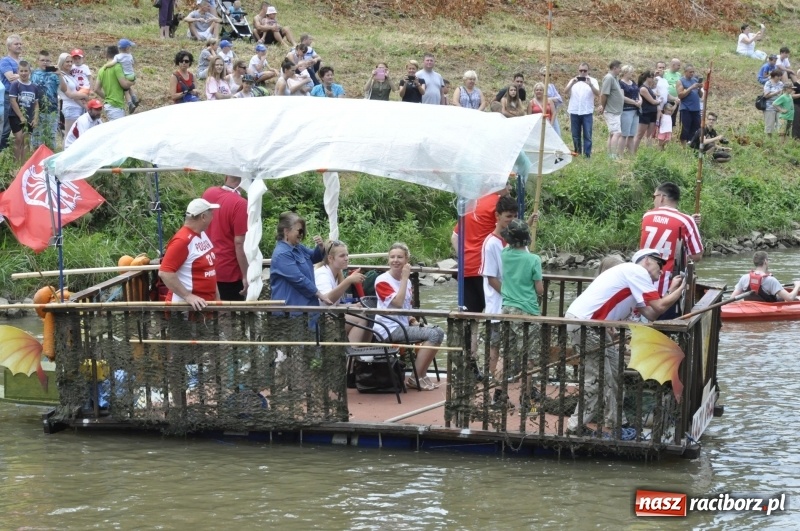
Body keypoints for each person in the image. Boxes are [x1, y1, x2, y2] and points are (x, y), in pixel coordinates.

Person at [565, 249, 685, 435]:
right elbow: (660, 305)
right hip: (584, 324)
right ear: (645, 261)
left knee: (614, 374)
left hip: (598, 328)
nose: (662, 271)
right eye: (659, 264)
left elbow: (653, 314)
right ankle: (575, 426)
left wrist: (672, 291)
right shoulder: (636, 271)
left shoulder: (635, 283)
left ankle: (616, 421)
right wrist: (681, 290)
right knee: (597, 378)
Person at [373, 242, 444, 391]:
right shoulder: (382, 280)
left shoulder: (408, 282)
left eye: (399, 257)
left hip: (403, 325)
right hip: (388, 328)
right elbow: (398, 303)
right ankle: (415, 377)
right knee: (432, 334)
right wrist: (404, 278)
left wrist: (413, 320)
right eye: (392, 257)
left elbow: (407, 307)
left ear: (406, 260)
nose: (395, 260)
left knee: (438, 332)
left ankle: (422, 374)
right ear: (388, 259)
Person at [639, 182, 703, 319]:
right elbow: (696, 255)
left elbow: (664, 226)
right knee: (665, 326)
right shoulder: (685, 221)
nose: (654, 200)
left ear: (661, 197)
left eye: (654, 196)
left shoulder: (647, 216)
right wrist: (693, 225)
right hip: (668, 285)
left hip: (642, 282)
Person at [499, 219, 544, 398]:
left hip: (507, 309)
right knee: (529, 357)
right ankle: (526, 394)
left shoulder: (504, 254)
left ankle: (499, 393)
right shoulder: (533, 259)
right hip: (527, 311)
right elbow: (539, 289)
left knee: (505, 353)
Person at [479, 195, 519, 379]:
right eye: (508, 216)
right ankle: (490, 376)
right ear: (498, 216)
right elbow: (491, 278)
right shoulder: (490, 243)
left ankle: (507, 377)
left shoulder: (514, 240)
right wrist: (510, 294)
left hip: (514, 303)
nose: (512, 220)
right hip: (498, 303)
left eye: (514, 216)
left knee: (513, 343)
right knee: (494, 344)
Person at [158, 198, 221, 312]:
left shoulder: (202, 235)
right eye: (211, 213)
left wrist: (217, 299)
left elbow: (209, 269)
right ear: (203, 217)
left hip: (205, 306)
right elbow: (165, 272)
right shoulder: (182, 241)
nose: (213, 217)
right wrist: (187, 296)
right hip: (186, 311)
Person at [270, 211, 332, 307]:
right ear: (286, 231)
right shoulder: (281, 254)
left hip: (305, 307)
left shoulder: (298, 247)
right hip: (291, 311)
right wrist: (320, 295)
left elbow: (314, 257)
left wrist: (320, 247)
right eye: (299, 231)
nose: (301, 234)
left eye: (302, 231)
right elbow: (298, 279)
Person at [201, 175, 248, 301]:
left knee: (212, 312)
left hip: (207, 265)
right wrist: (246, 274)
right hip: (229, 270)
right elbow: (239, 243)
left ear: (226, 175)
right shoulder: (240, 204)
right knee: (228, 314)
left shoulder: (208, 193)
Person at [314, 240, 371, 342]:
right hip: (320, 320)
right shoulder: (322, 274)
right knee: (361, 319)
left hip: (330, 315)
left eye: (347, 255)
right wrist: (348, 281)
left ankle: (363, 352)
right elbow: (326, 300)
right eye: (342, 256)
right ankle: (351, 355)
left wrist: (353, 306)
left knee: (368, 315)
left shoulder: (335, 274)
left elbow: (334, 305)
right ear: (330, 258)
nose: (346, 259)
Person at [731, 251, 800, 302]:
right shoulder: (771, 280)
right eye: (768, 260)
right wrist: (797, 285)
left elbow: (732, 298)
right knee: (796, 299)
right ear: (765, 261)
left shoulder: (744, 278)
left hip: (750, 306)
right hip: (768, 309)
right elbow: (790, 298)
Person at [565, 63, 599, 157]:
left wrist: (590, 85)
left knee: (587, 134)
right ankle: (577, 152)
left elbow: (597, 93)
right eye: (581, 70)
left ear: (588, 71)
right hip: (574, 110)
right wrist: (572, 83)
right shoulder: (573, 80)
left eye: (585, 70)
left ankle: (587, 154)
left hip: (586, 111)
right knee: (575, 134)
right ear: (578, 70)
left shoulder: (593, 80)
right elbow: (565, 92)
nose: (583, 72)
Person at [8, 61, 39, 164]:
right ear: (18, 71)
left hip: (29, 116)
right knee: (18, 138)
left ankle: (24, 165)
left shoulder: (34, 87)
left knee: (26, 141)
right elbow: (13, 101)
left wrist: (35, 118)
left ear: (29, 71)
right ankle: (16, 166)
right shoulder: (15, 84)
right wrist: (21, 116)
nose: (23, 73)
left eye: (26, 71)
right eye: (21, 71)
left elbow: (36, 104)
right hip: (15, 115)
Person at [94, 45, 133, 120]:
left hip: (109, 106)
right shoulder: (117, 67)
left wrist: (107, 98)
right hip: (115, 106)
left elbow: (96, 89)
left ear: (106, 55)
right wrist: (132, 82)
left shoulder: (102, 69)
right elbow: (124, 85)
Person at [30, 50, 60, 150]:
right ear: (37, 61)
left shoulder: (54, 74)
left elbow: (64, 89)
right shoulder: (33, 74)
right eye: (42, 60)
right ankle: (36, 162)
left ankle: (50, 163)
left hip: (52, 111)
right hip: (37, 111)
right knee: (36, 139)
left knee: (51, 139)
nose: (45, 62)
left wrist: (60, 75)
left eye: (47, 60)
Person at [57, 52, 89, 138]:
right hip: (70, 107)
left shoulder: (70, 75)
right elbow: (70, 94)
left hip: (78, 106)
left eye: (71, 61)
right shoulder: (61, 76)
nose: (70, 64)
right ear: (62, 62)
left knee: (78, 134)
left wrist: (85, 106)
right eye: (67, 62)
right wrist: (84, 96)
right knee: (69, 134)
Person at [1, 34, 23, 151]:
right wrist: (25, 74)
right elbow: (10, 78)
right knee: (5, 127)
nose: (19, 46)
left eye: (20, 44)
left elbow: (31, 77)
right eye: (16, 44)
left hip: (21, 97)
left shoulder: (23, 61)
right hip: (8, 97)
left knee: (20, 127)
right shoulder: (5, 61)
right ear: (9, 46)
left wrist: (19, 75)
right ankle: (2, 152)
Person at [599, 60, 623, 160]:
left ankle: (610, 154)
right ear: (614, 68)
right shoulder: (609, 78)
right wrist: (602, 106)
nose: (620, 70)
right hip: (611, 111)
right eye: (619, 68)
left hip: (616, 111)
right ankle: (613, 155)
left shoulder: (615, 78)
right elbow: (604, 94)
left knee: (612, 133)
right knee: (617, 133)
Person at [676, 64, 703, 146]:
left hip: (696, 108)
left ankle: (692, 144)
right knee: (685, 128)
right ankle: (683, 146)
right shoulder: (681, 81)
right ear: (685, 72)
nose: (692, 73)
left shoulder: (695, 80)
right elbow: (680, 95)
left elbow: (701, 95)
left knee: (696, 127)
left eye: (693, 72)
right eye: (690, 72)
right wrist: (691, 88)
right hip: (686, 108)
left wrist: (699, 88)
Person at [634, 70, 661, 151]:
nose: (653, 79)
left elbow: (655, 83)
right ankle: (633, 152)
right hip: (645, 113)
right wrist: (659, 101)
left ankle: (648, 151)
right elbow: (652, 101)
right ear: (647, 78)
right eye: (651, 77)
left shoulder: (649, 88)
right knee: (639, 135)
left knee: (649, 135)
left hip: (652, 113)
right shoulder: (643, 89)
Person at [618, 65, 640, 157]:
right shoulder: (620, 83)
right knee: (624, 134)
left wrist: (640, 101)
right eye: (630, 72)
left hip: (636, 110)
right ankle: (620, 155)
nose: (632, 74)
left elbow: (638, 93)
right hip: (626, 110)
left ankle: (631, 155)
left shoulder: (633, 82)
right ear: (625, 72)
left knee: (632, 134)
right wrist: (634, 102)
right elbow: (622, 97)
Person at [112, 39, 139, 112]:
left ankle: (130, 103)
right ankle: (134, 97)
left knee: (125, 91)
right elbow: (133, 63)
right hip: (132, 75)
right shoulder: (130, 56)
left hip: (125, 76)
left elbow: (114, 63)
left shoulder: (117, 56)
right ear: (127, 48)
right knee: (128, 87)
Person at [540, 66, 563, 135]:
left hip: (552, 112)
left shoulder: (551, 86)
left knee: (557, 133)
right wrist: (552, 99)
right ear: (541, 76)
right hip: (543, 112)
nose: (547, 77)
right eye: (544, 75)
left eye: (549, 75)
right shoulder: (539, 87)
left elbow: (559, 99)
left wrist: (550, 99)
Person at [763, 69, 784, 137]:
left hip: (779, 107)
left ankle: (780, 140)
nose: (780, 78)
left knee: (780, 124)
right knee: (769, 124)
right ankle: (769, 140)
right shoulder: (768, 83)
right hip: (769, 107)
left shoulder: (781, 83)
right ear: (775, 76)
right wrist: (776, 93)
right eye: (779, 76)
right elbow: (766, 95)